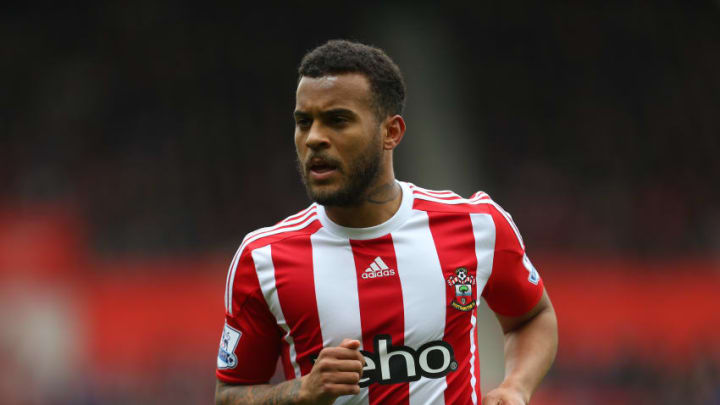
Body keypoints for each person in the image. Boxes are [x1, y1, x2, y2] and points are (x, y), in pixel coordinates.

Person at [214, 39, 558, 405]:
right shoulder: (262, 258)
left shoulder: (476, 225)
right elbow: (229, 395)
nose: (314, 138)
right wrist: (301, 391)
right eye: (304, 122)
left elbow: (532, 317)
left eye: (337, 120)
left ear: (390, 132)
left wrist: (516, 386)